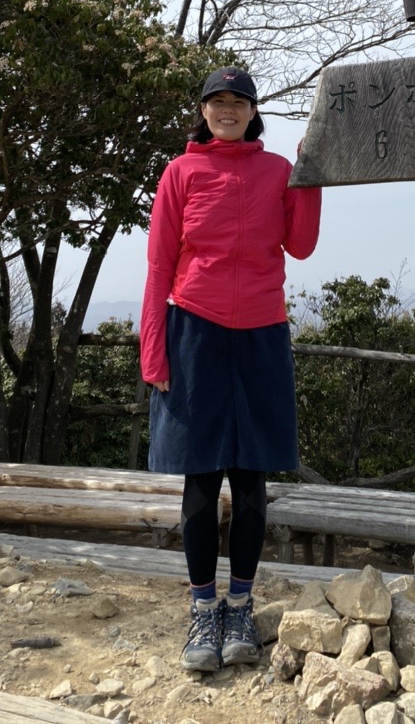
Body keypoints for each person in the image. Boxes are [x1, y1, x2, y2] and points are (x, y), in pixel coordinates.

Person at [140, 66, 322, 672]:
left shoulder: (276, 172)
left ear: (251, 110)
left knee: (250, 484)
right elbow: (160, 265)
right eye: (216, 100)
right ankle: (202, 611)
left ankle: (239, 604)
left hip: (263, 332)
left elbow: (301, 245)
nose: (226, 109)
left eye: (237, 101)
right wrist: (153, 349)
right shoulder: (181, 172)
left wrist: (311, 172)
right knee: (199, 483)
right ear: (203, 110)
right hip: (194, 328)